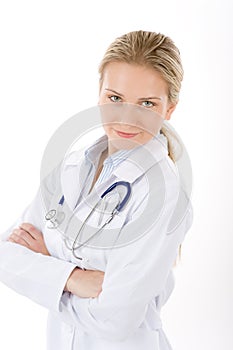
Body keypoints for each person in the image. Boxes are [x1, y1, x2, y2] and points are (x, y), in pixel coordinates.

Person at [0, 30, 193, 350]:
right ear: (99, 94)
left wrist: (46, 273)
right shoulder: (70, 168)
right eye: (115, 98)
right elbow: (6, 254)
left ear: (169, 109)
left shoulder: (166, 195)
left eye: (146, 103)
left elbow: (115, 321)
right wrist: (74, 278)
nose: (126, 118)